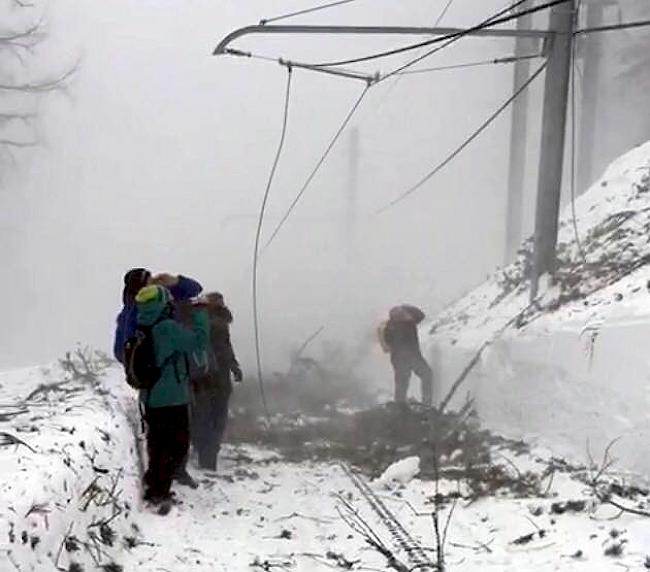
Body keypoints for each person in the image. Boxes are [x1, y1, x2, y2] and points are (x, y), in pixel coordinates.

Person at [134, 284, 209, 507]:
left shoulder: (143, 324)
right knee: (176, 445)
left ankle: (154, 484)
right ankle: (160, 492)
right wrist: (200, 314)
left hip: (150, 397)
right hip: (172, 398)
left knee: (157, 444)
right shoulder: (167, 327)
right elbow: (198, 342)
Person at [190, 292, 242, 471]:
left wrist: (234, 367)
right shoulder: (204, 322)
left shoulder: (218, 322)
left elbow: (227, 347)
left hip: (219, 377)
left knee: (215, 418)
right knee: (209, 418)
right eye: (216, 301)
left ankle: (208, 456)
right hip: (206, 377)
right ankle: (207, 458)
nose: (220, 303)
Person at [113, 268, 202, 364]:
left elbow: (196, 289)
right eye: (150, 280)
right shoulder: (131, 313)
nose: (156, 281)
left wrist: (176, 281)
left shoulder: (164, 296)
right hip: (163, 368)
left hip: (174, 365)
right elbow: (123, 351)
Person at [381, 304, 433, 406]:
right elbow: (420, 315)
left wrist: (405, 308)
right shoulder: (407, 323)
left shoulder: (392, 326)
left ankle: (400, 406)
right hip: (410, 357)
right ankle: (426, 404)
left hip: (401, 358)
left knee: (402, 383)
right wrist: (406, 308)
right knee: (425, 375)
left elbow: (421, 316)